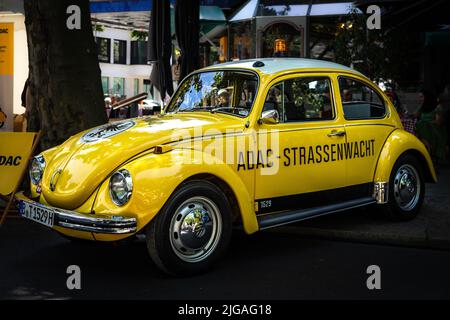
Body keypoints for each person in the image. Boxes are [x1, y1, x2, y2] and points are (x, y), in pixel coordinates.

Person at [414, 89, 448, 165]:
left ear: (427, 97)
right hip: (423, 129)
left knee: (420, 125)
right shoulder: (423, 106)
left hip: (435, 130)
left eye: (422, 97)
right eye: (420, 97)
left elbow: (438, 122)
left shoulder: (437, 107)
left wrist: (424, 123)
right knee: (416, 126)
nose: (420, 99)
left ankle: (428, 153)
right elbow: (415, 115)